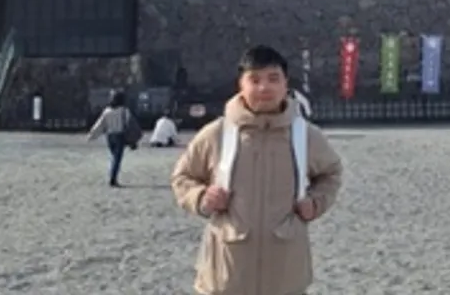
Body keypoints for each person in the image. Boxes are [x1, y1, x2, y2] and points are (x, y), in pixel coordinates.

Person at [171, 45, 342, 295]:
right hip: (226, 273)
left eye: (273, 79)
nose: (264, 87)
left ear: (285, 84)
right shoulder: (217, 134)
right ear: (241, 84)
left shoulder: (305, 136)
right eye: (255, 80)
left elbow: (331, 172)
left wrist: (316, 203)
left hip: (285, 272)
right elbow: (183, 176)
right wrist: (201, 197)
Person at [86, 90, 134, 187]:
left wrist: (92, 135)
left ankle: (112, 175)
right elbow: (129, 124)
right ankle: (113, 178)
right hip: (120, 136)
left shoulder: (107, 111)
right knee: (117, 159)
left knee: (113, 157)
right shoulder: (124, 111)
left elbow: (100, 124)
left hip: (110, 136)